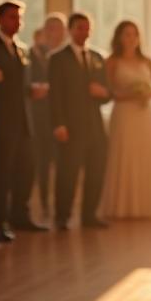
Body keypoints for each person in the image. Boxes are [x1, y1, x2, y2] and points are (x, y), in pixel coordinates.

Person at [0, 0, 45, 242]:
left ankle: (20, 215)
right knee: (0, 175)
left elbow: (20, 85)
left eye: (19, 17)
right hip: (1, 123)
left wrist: (32, 90)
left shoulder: (23, 49)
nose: (17, 22)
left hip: (24, 122)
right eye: (12, 17)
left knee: (25, 171)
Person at [50, 12, 112, 229]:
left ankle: (89, 215)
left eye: (87, 28)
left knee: (96, 170)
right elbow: (54, 95)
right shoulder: (58, 58)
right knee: (68, 173)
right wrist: (58, 124)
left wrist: (103, 92)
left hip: (94, 125)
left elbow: (107, 93)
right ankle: (62, 216)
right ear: (70, 30)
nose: (84, 32)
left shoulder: (97, 57)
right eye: (79, 28)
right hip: (70, 125)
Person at [100, 20, 151, 219]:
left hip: (145, 114)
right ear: (119, 37)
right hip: (124, 113)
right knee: (124, 155)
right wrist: (129, 95)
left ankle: (144, 205)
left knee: (145, 156)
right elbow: (108, 90)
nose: (131, 38)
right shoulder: (112, 62)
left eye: (134, 34)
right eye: (127, 34)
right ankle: (122, 206)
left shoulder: (148, 61)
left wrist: (146, 94)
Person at [29, 14, 64, 219]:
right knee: (41, 163)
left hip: (61, 119)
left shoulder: (67, 55)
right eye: (50, 29)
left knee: (61, 164)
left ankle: (59, 207)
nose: (54, 34)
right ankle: (42, 205)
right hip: (40, 117)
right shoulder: (33, 54)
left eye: (58, 30)